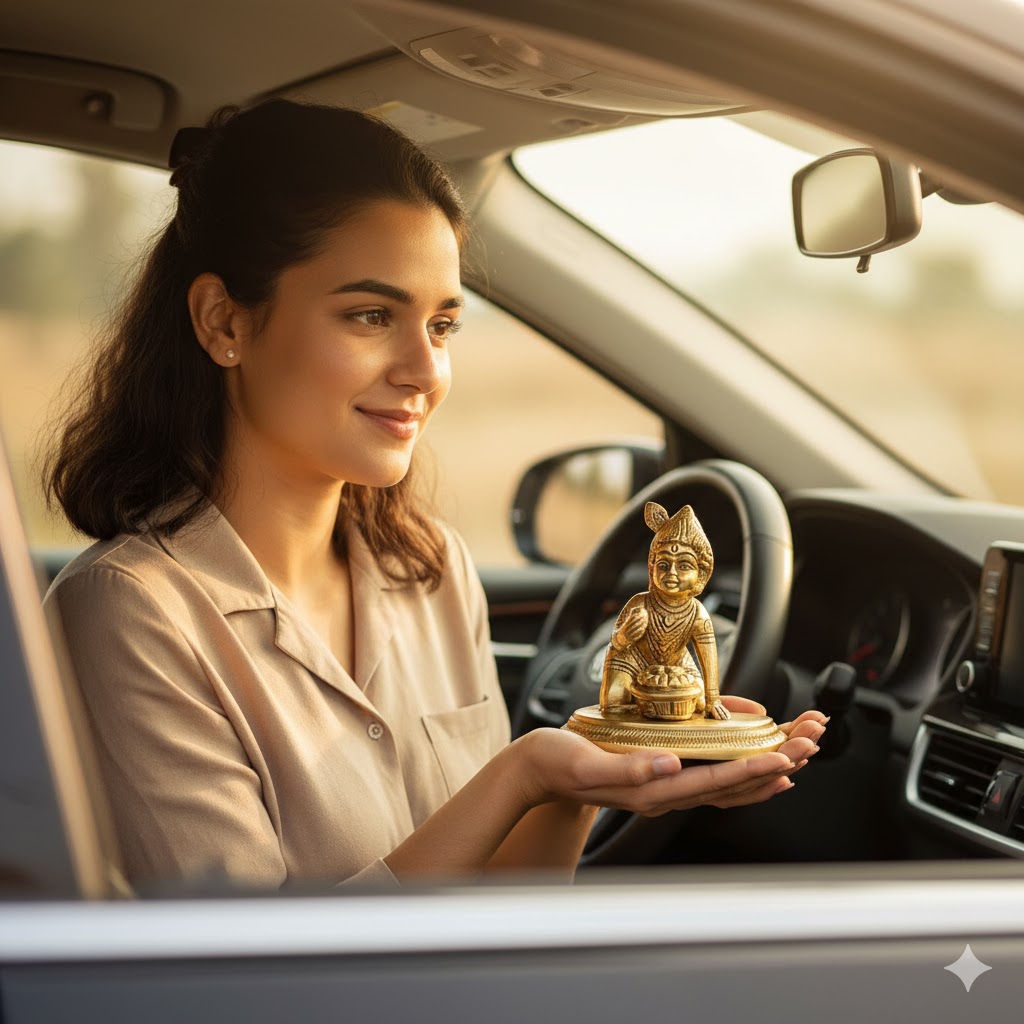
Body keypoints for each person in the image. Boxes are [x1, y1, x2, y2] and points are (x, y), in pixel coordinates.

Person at [43, 99, 826, 890]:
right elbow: (254, 984)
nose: (424, 371)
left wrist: (588, 776)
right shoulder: (128, 614)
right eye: (372, 315)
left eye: (444, 324)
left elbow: (503, 911)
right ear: (223, 323)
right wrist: (520, 776)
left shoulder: (431, 568)